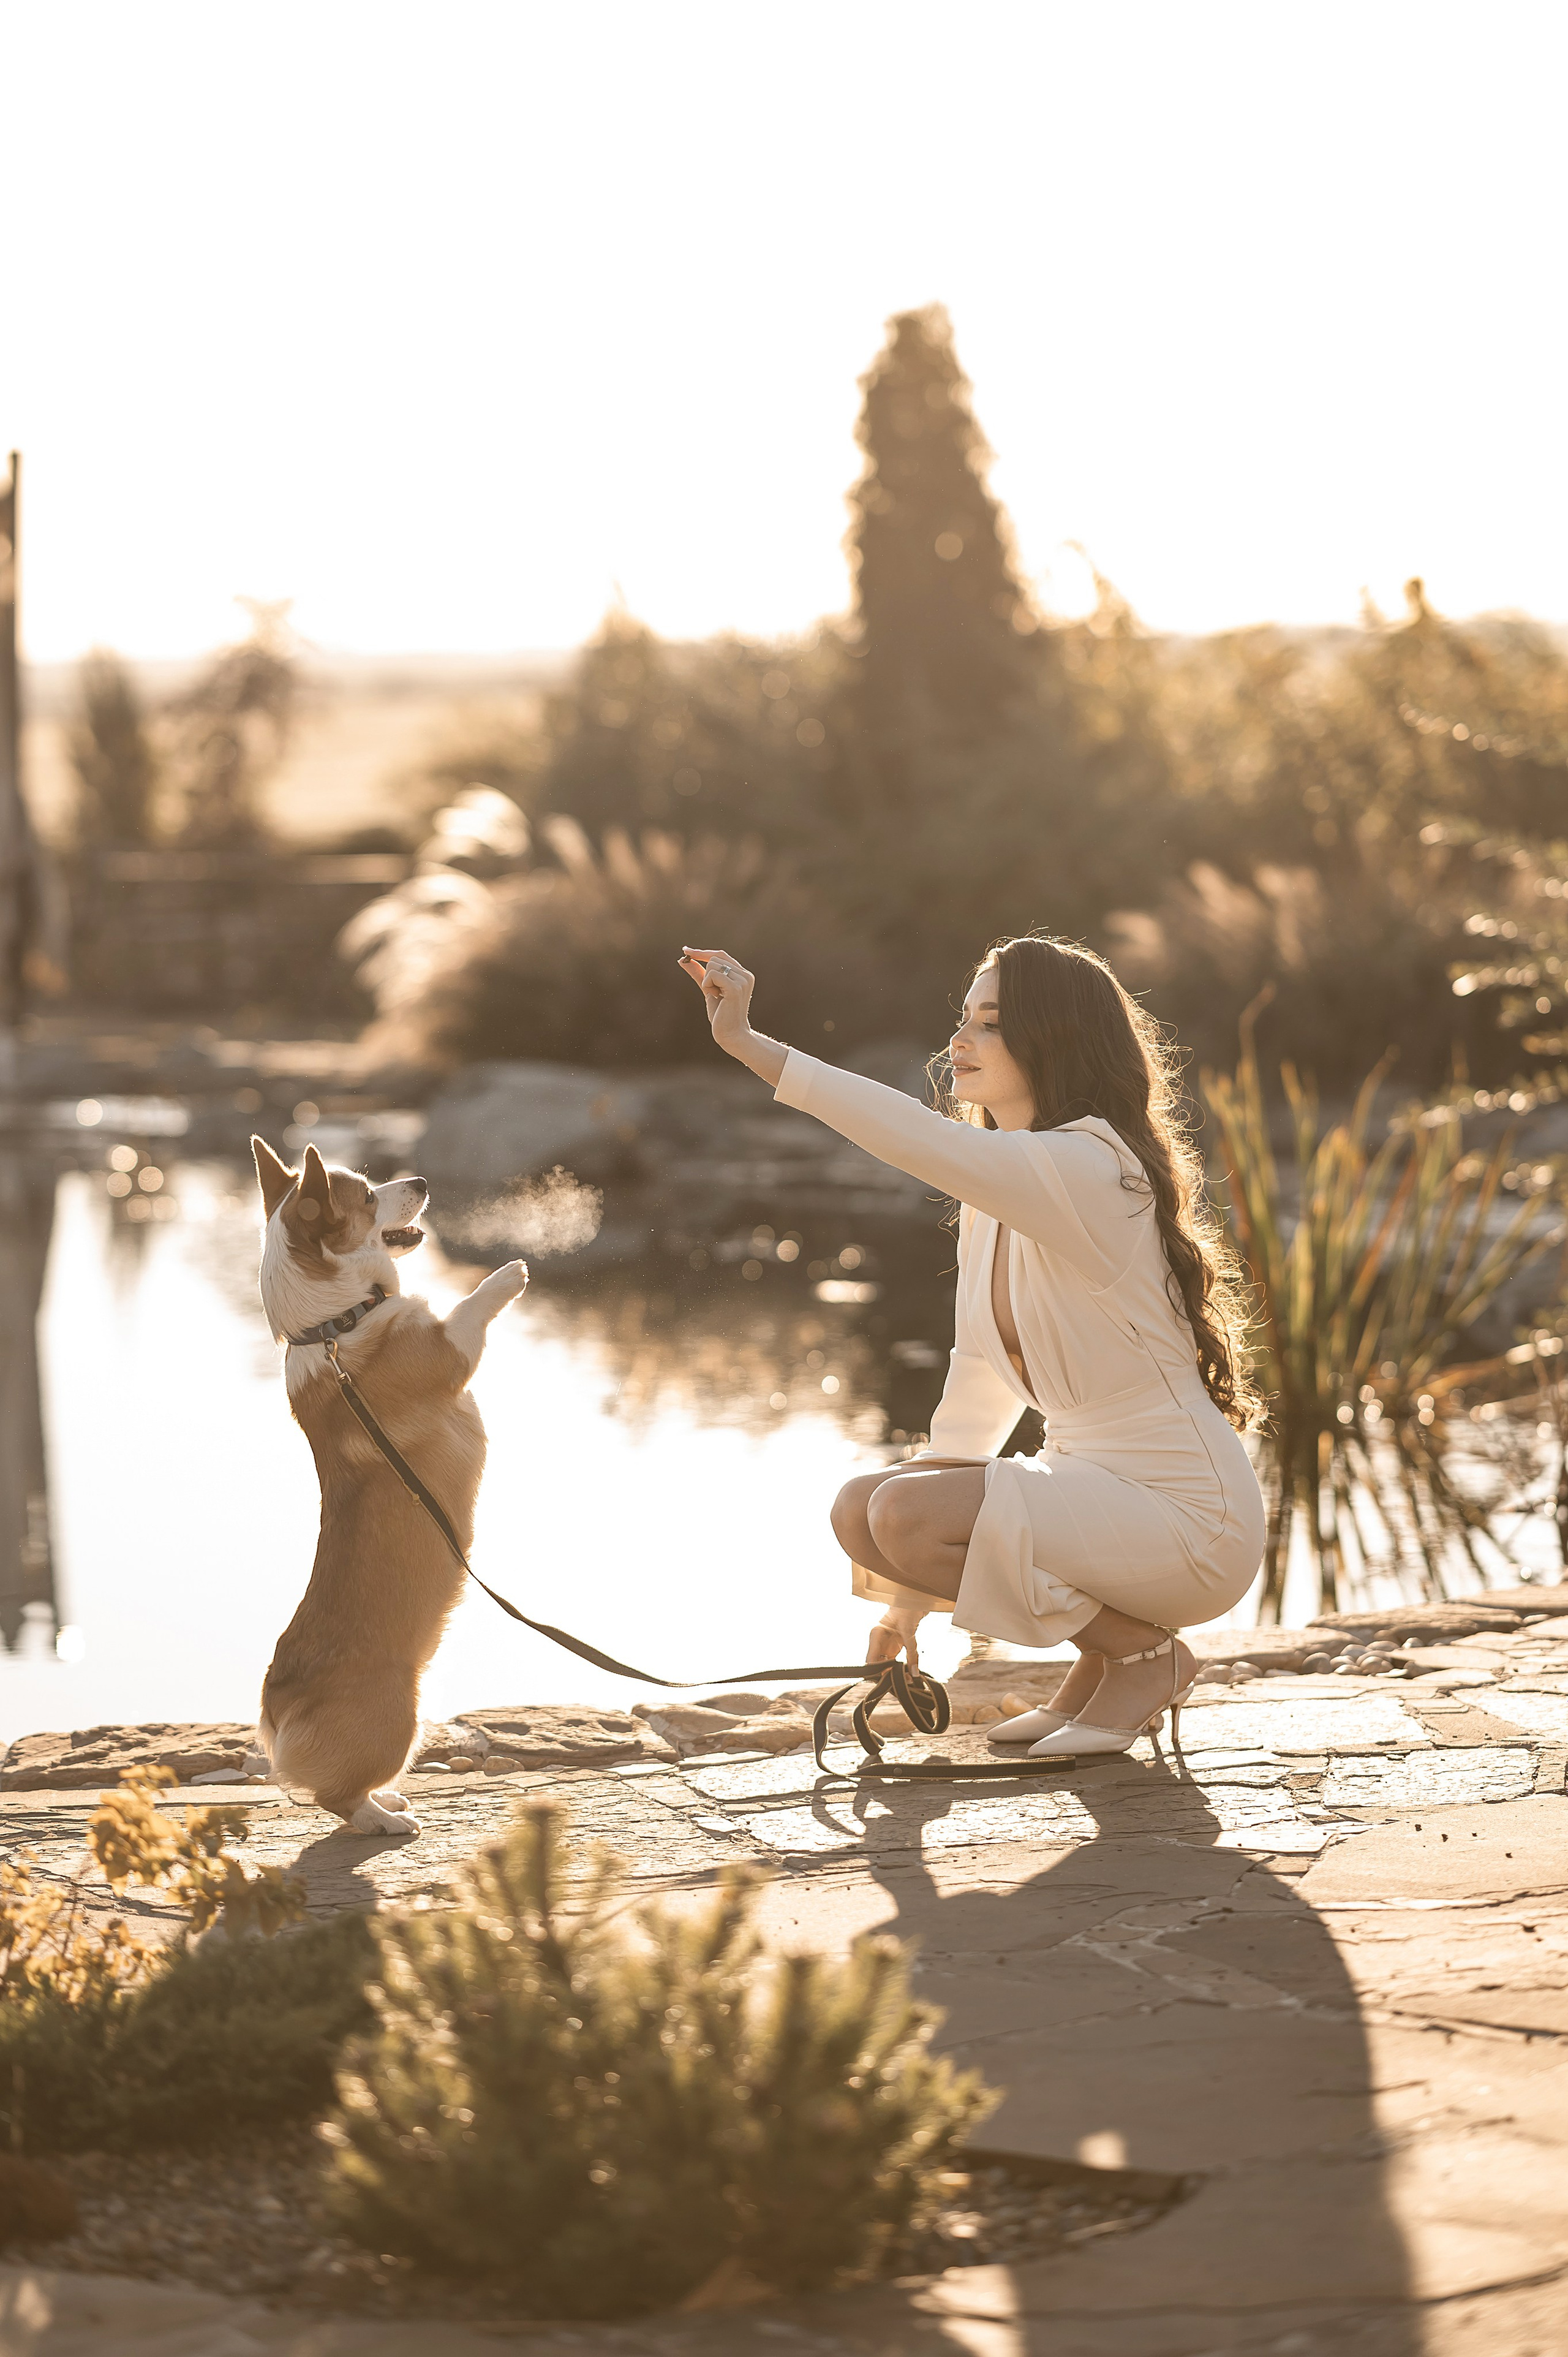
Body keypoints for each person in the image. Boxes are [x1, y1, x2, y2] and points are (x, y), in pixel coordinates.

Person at [677, 933, 1267, 1757]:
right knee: (863, 1512)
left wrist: (748, 1042)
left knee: (902, 1512)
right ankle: (1105, 1667)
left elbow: (916, 1134)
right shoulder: (1005, 1192)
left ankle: (1139, 1656)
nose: (961, 1041)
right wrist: (904, 1601)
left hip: (1189, 1520)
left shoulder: (1093, 1166)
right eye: (963, 1020)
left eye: (991, 1023)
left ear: (1054, 1039)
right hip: (1094, 1492)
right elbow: (979, 1388)